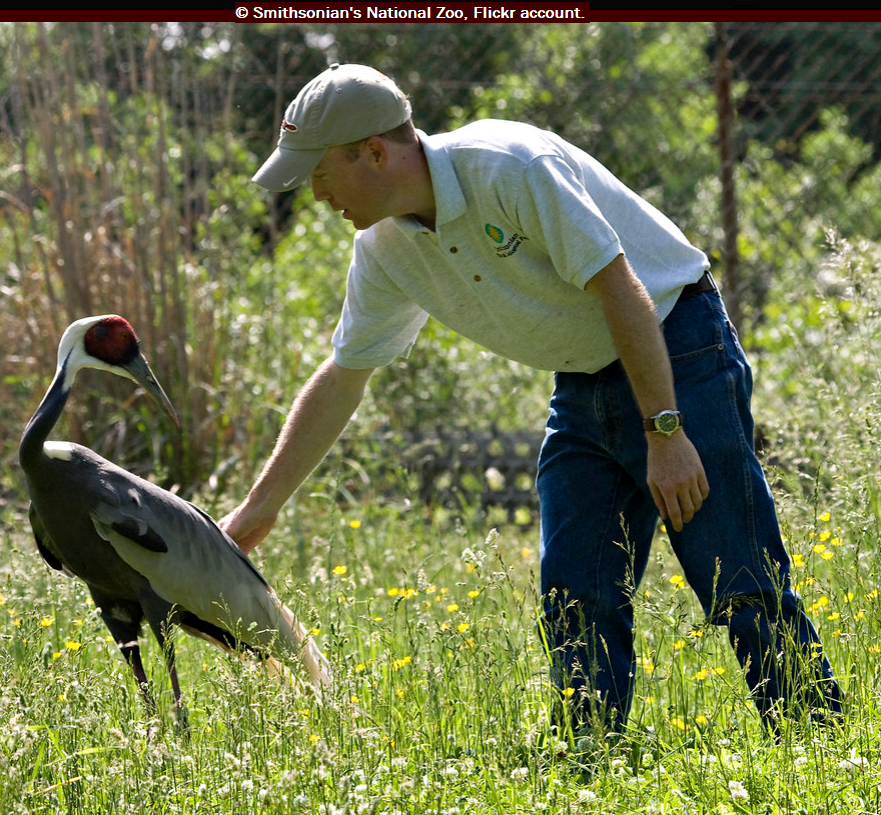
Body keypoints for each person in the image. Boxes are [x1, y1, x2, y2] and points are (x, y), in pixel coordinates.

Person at [221, 63, 843, 735]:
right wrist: (259, 509)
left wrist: (665, 432)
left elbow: (620, 288)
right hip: (580, 379)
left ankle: (817, 741)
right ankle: (586, 757)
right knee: (574, 588)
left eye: (319, 174)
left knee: (734, 570)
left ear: (375, 152)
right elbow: (345, 375)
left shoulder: (508, 167)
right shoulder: (382, 247)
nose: (316, 196)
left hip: (675, 346)